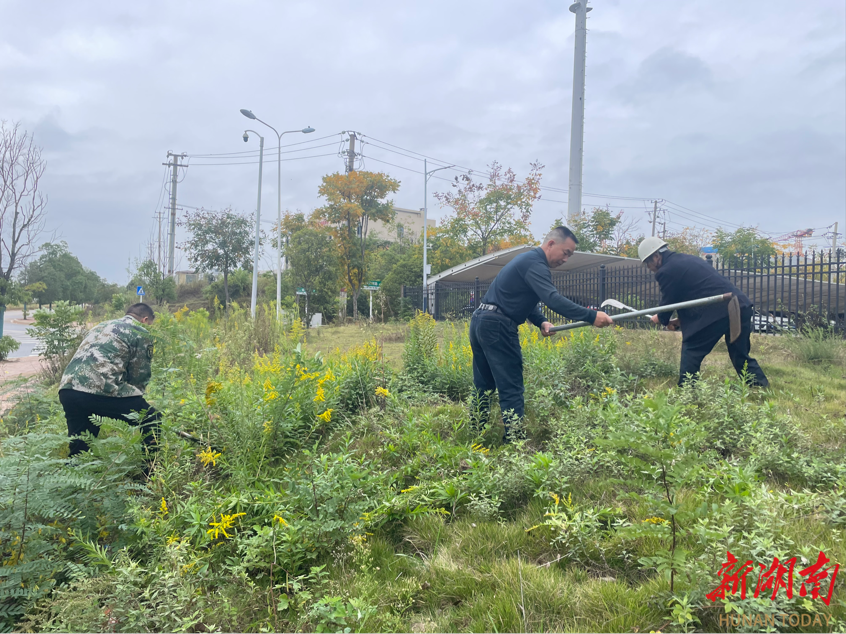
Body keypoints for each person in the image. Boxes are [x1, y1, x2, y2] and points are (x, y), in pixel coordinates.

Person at [469, 226, 614, 441]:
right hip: (497, 326)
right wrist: (591, 316)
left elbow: (521, 299)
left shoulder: (527, 261)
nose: (565, 259)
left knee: (484, 385)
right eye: (566, 253)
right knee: (511, 387)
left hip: (481, 320)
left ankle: (475, 434)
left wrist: (541, 321)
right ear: (551, 244)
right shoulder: (535, 264)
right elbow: (552, 299)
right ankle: (515, 443)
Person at [638, 236, 769, 388]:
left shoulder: (666, 271)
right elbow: (696, 295)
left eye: (648, 263)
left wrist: (661, 318)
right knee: (740, 354)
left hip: (720, 309)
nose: (648, 267)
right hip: (739, 306)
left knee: (692, 348)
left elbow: (669, 300)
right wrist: (678, 321)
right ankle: (760, 387)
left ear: (656, 256)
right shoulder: (688, 260)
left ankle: (688, 389)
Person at [59, 303, 161, 458]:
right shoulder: (140, 331)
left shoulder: (101, 326)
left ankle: (74, 471)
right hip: (99, 390)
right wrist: (137, 400)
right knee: (151, 418)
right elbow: (139, 375)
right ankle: (150, 470)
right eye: (149, 324)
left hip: (68, 389)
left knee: (81, 445)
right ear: (145, 319)